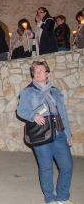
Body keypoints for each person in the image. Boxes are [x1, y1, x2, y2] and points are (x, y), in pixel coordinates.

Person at [16, 61, 73, 204]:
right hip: (41, 135)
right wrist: (33, 116)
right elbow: (21, 111)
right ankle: (49, 198)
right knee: (46, 167)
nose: (38, 73)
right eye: (35, 71)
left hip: (59, 133)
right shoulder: (28, 92)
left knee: (67, 166)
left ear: (47, 73)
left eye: (41, 70)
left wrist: (68, 134)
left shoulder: (55, 91)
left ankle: (62, 197)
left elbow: (63, 113)